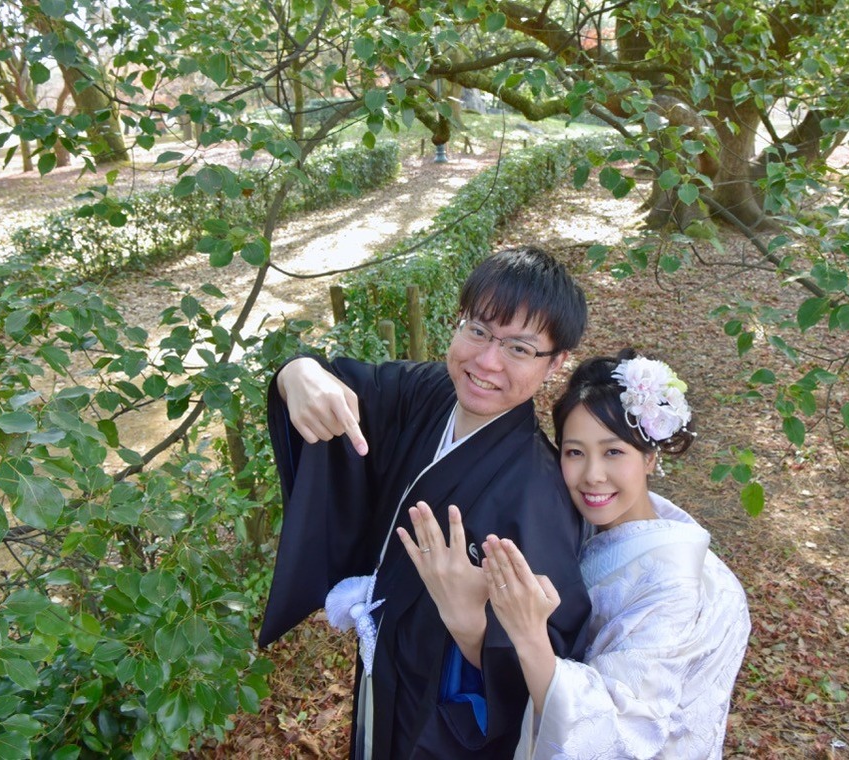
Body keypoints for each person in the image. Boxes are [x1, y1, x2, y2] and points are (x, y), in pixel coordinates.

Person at [258, 246, 593, 759]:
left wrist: (470, 623)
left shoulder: (536, 496)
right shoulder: (432, 392)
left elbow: (539, 676)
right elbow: (342, 387)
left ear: (557, 362)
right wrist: (297, 372)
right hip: (382, 664)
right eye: (477, 330)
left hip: (441, 723)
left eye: (519, 349)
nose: (486, 361)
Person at [400, 349, 751, 759]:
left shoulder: (674, 585)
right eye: (574, 452)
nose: (592, 475)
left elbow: (617, 736)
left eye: (613, 452)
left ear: (650, 456)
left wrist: (529, 635)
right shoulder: (589, 527)